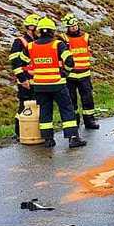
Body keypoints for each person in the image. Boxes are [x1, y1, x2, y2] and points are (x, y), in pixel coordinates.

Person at [19, 17, 87, 148]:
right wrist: (65, 72)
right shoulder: (58, 44)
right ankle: (73, 138)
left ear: (39, 31)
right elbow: (69, 61)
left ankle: (48, 139)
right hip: (58, 84)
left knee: (45, 111)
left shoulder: (31, 46)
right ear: (52, 31)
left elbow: (22, 61)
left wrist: (30, 74)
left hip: (39, 86)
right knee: (67, 109)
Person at [59, 13, 100, 129]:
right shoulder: (62, 38)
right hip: (70, 74)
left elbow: (88, 52)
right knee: (71, 100)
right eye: (71, 27)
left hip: (85, 73)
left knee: (87, 98)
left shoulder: (86, 36)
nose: (74, 28)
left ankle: (89, 120)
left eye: (75, 26)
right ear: (67, 27)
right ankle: (74, 122)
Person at [9, 13, 40, 141]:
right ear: (31, 27)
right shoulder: (20, 41)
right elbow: (15, 62)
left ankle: (34, 131)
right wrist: (22, 79)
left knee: (37, 106)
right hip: (26, 80)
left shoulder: (37, 41)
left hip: (38, 80)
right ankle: (19, 131)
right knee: (24, 106)